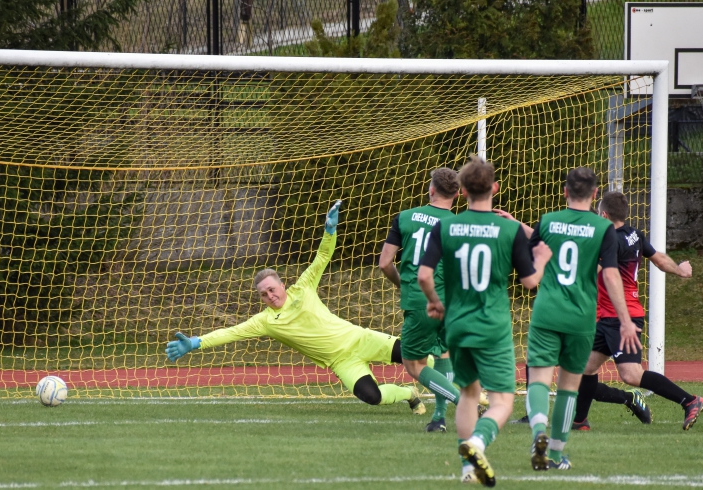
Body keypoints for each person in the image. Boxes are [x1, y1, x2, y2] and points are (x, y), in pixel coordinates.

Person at [165, 200, 425, 414]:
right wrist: (195, 342)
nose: (270, 295)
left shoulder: (303, 287)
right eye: (264, 294)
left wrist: (329, 231)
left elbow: (322, 257)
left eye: (272, 288)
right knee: (373, 397)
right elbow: (230, 332)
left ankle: (453, 391)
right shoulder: (265, 321)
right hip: (341, 362)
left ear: (283, 284)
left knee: (417, 355)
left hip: (360, 338)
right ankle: (409, 394)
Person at [418, 156, 551, 486]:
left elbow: (423, 274)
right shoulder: (508, 229)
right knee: (503, 400)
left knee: (467, 393)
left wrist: (435, 302)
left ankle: (467, 469)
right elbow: (531, 283)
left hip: (457, 324)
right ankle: (477, 444)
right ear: (495, 188)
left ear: (461, 191)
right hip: (491, 326)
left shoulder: (445, 225)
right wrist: (543, 259)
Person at [525, 168, 637, 471]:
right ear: (595, 195)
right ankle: (558, 454)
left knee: (538, 379)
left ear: (564, 192)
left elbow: (530, 263)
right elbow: (611, 275)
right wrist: (625, 320)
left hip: (547, 312)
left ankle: (538, 433)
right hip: (581, 317)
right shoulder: (602, 229)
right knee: (568, 387)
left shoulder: (547, 222)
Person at [572, 191, 703, 431]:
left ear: (603, 214)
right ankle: (579, 421)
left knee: (632, 374)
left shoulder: (608, 240)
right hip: (609, 315)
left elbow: (599, 272)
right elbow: (658, 258)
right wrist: (680, 270)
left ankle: (690, 400)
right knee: (585, 367)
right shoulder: (634, 234)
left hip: (621, 316)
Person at [379, 167, 483, 433]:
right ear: (459, 194)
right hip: (453, 301)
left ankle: (465, 403)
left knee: (414, 364)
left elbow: (385, 263)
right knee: (444, 353)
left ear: (431, 189)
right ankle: (439, 418)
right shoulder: (462, 225)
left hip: (421, 299)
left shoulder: (405, 217)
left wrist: (404, 284)